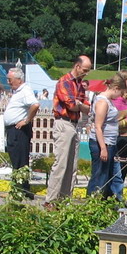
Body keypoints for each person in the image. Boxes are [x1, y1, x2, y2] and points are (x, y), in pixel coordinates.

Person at [45, 55, 92, 205]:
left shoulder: (79, 84)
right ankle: (51, 200)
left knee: (72, 166)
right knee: (61, 164)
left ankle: (65, 200)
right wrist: (79, 104)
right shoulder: (64, 81)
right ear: (77, 66)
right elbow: (71, 105)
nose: (86, 73)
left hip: (73, 124)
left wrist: (79, 104)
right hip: (63, 123)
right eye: (85, 70)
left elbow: (87, 107)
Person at [87, 74, 127, 200]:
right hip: (103, 143)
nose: (120, 96)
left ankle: (111, 199)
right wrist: (103, 148)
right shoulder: (102, 102)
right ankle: (93, 201)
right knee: (100, 175)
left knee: (111, 174)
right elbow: (98, 126)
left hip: (110, 142)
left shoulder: (108, 101)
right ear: (115, 88)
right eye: (120, 92)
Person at [2, 66, 39, 198]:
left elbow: (35, 104)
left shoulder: (25, 91)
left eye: (10, 79)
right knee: (16, 160)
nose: (8, 82)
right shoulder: (18, 91)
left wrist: (27, 120)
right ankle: (19, 189)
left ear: (19, 79)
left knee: (20, 161)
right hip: (14, 130)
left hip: (19, 130)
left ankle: (21, 190)